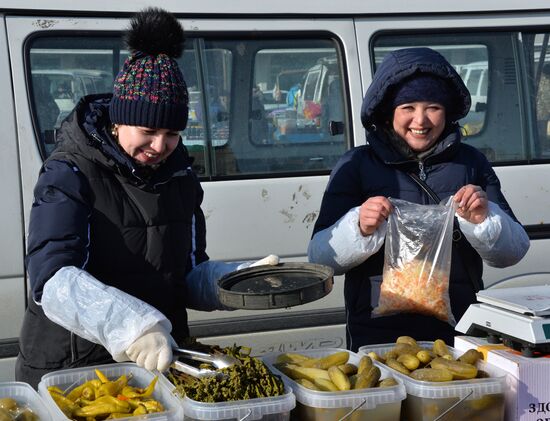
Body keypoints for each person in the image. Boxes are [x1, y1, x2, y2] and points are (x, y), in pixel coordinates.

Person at [16, 7, 278, 388]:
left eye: (172, 133)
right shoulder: (69, 173)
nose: (160, 146)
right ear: (119, 119)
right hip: (76, 368)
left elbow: (187, 273)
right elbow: (52, 279)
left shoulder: (180, 177)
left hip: (158, 362)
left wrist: (237, 281)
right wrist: (133, 327)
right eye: (149, 130)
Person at [308, 47, 530, 351]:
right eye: (408, 107)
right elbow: (320, 258)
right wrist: (358, 226)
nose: (421, 120)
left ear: (447, 111)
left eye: (433, 107)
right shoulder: (357, 165)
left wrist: (482, 219)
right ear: (388, 112)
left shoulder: (471, 164)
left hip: (459, 327)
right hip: (376, 329)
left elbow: (513, 252)